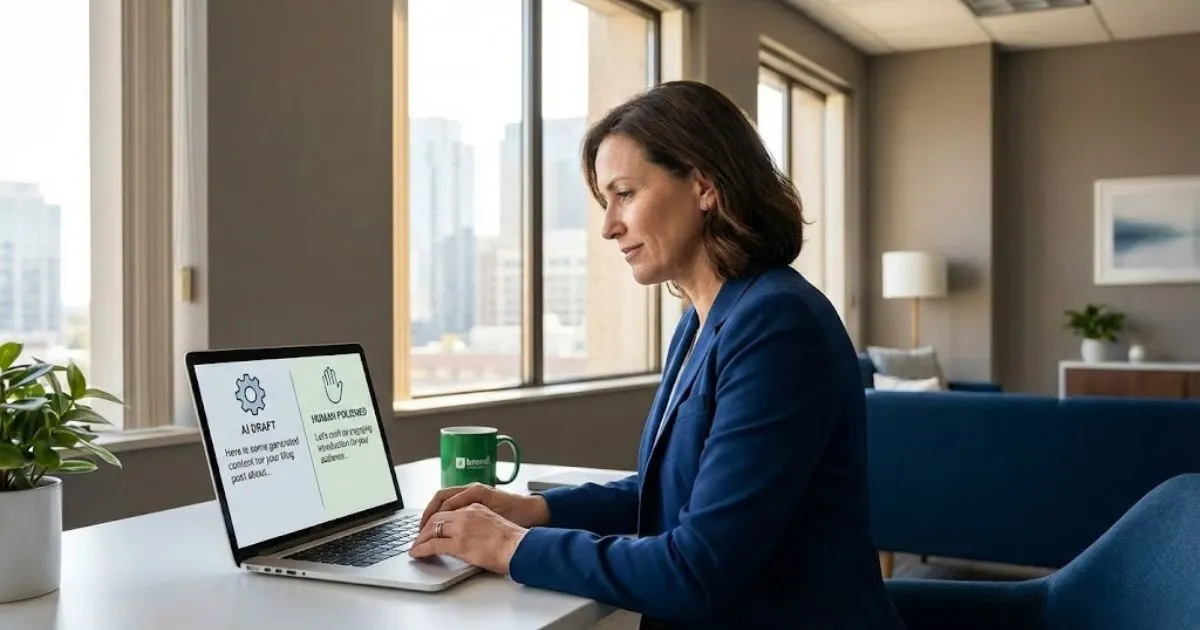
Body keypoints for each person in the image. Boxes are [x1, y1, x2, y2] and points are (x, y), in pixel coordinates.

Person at [408, 80, 905, 629]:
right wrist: (539, 511)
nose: (608, 225)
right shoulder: (700, 318)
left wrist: (511, 547)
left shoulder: (776, 325)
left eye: (625, 193)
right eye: (605, 200)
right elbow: (678, 491)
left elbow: (698, 570)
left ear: (704, 185)